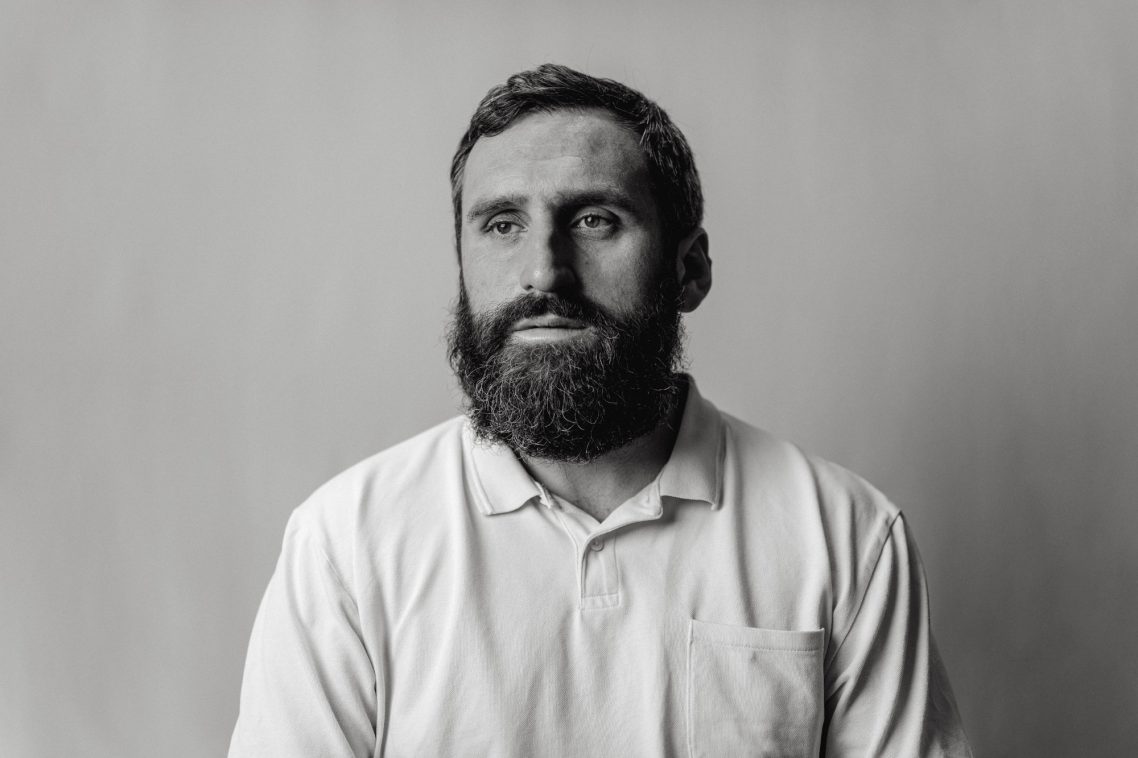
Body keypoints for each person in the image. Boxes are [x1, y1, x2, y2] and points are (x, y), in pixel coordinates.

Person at [229, 63, 973, 757]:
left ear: (690, 269)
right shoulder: (346, 548)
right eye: (501, 224)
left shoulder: (847, 539)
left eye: (594, 220)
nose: (544, 271)